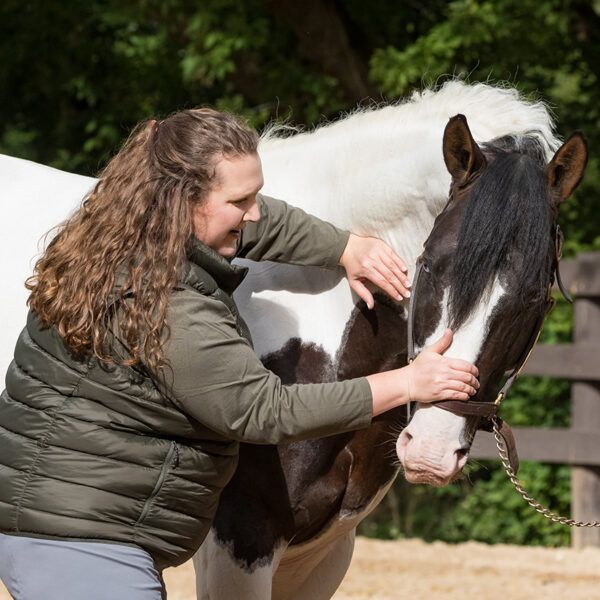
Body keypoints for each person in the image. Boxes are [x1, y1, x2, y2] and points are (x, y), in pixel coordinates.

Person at [0, 108, 479, 599]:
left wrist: (345, 246)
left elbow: (264, 221)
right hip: (81, 542)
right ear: (181, 199)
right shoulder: (165, 305)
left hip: (64, 518)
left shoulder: (121, 230)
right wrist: (406, 383)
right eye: (240, 200)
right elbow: (261, 410)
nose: (253, 213)